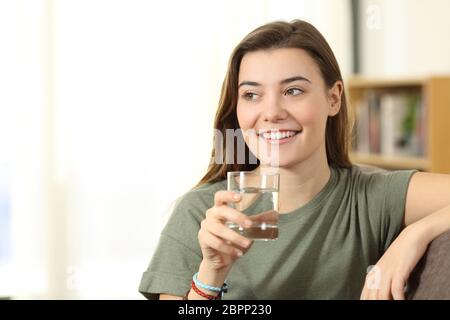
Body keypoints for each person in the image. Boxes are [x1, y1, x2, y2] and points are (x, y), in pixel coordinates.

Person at [139, 19, 450, 300]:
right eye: (251, 95)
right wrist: (211, 273)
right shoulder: (199, 212)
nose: (272, 112)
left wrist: (415, 234)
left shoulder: (372, 197)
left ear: (333, 98)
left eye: (293, 90)